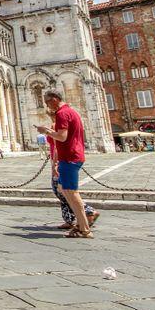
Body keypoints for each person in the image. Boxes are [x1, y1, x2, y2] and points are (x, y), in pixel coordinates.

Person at [36, 90, 95, 238]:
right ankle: (80, 224)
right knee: (63, 189)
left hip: (70, 157)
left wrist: (46, 131)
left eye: (48, 102)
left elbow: (61, 137)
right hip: (71, 156)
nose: (47, 105)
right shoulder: (71, 111)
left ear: (55, 99)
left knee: (71, 193)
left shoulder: (62, 114)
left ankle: (84, 229)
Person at [45, 110, 98, 231]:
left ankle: (87, 212)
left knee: (63, 191)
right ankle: (69, 219)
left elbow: (58, 146)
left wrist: (54, 165)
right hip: (63, 160)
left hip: (60, 161)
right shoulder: (59, 124)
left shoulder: (56, 126)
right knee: (62, 191)